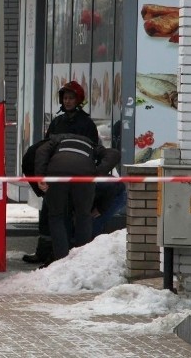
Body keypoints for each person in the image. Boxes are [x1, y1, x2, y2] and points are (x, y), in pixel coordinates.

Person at [23, 81, 99, 265]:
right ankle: (45, 252)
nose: (67, 102)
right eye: (65, 98)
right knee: (50, 213)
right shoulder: (58, 121)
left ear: (78, 100)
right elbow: (46, 147)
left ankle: (70, 258)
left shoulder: (86, 123)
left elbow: (92, 149)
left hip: (77, 178)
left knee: (70, 215)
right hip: (56, 175)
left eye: (71, 98)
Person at [34, 133, 120, 263]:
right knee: (83, 216)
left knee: (56, 216)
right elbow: (114, 154)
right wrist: (97, 173)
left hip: (57, 172)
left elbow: (41, 151)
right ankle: (81, 260)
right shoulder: (92, 145)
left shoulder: (56, 140)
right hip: (85, 175)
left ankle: (60, 261)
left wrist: (40, 175)